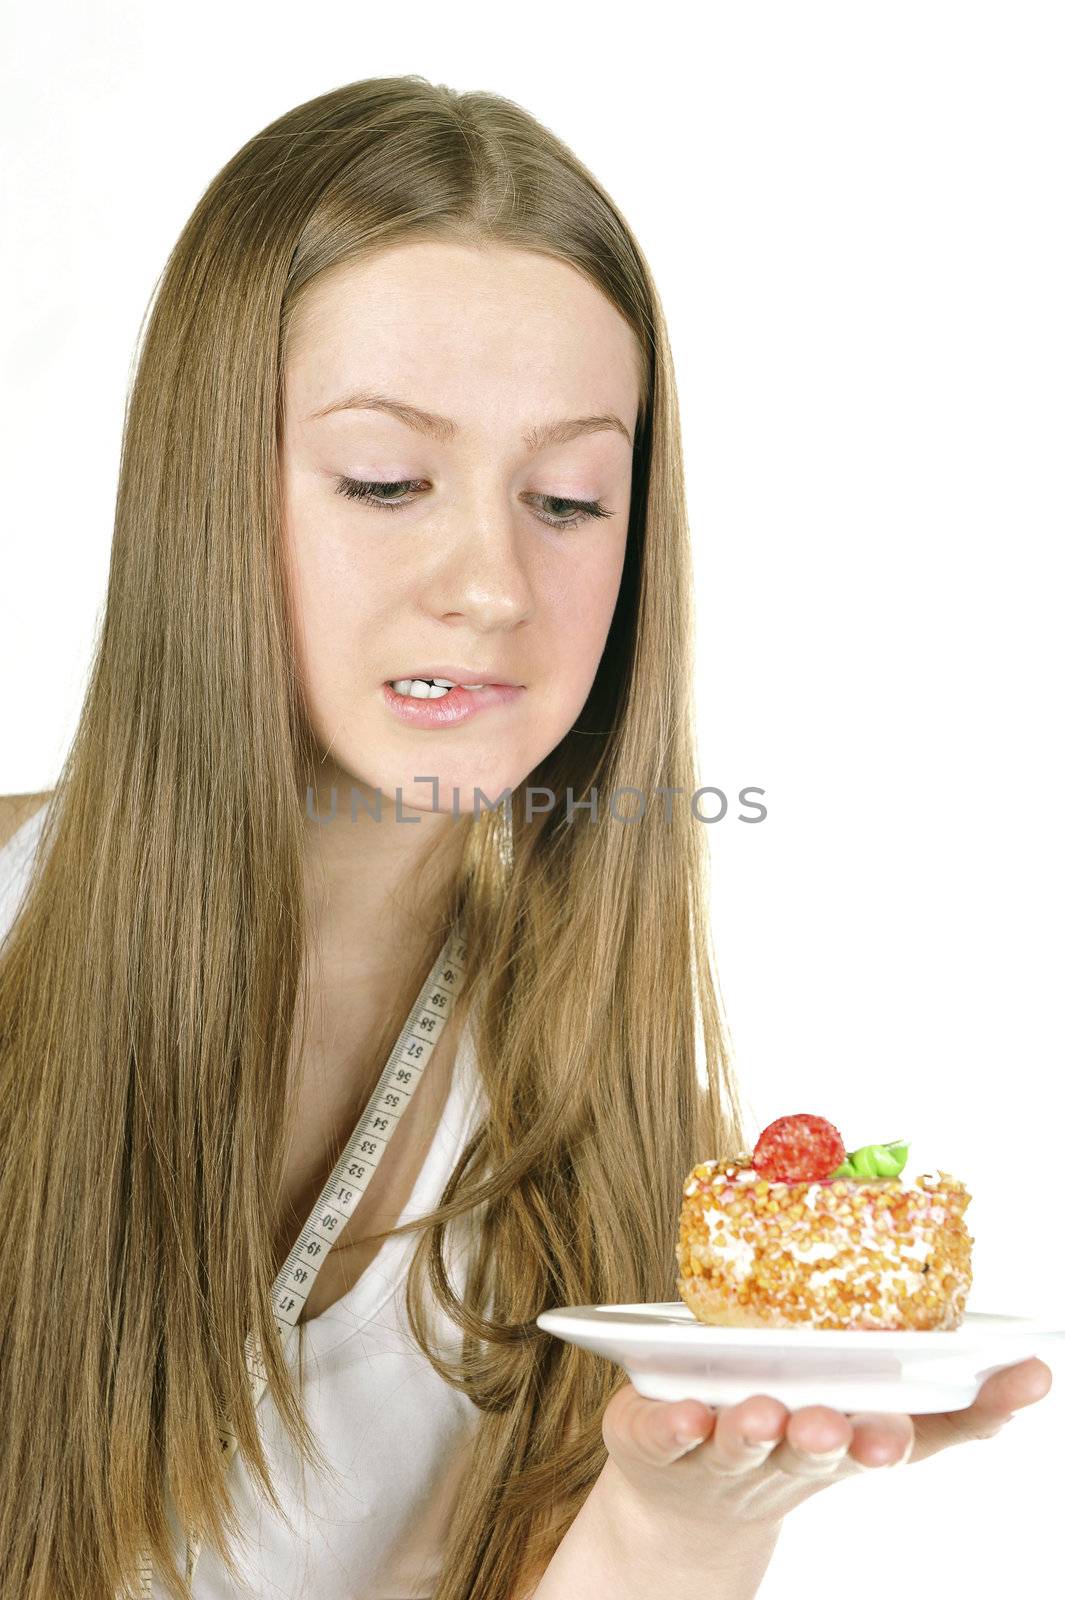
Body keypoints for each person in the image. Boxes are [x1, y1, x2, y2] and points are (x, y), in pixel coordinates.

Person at [0, 75, 1051, 1600]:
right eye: (384, 481)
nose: (489, 582)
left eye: (566, 501)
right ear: (202, 494)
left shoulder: (614, 1128)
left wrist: (678, 1522)